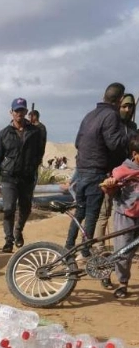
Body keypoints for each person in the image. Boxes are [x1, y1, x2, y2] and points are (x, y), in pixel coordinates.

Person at [65, 83, 128, 259]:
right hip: (96, 171)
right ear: (120, 99)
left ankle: (69, 246)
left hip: (83, 169)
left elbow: (78, 142)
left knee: (80, 212)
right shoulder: (111, 115)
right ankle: (85, 250)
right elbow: (114, 143)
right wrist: (129, 138)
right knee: (92, 213)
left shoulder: (90, 115)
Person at [0, 97, 45, 253]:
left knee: (25, 208)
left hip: (27, 177)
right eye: (16, 111)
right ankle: (8, 240)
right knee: (8, 208)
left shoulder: (36, 132)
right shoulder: (4, 133)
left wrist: (33, 166)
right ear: (11, 112)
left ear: (26, 112)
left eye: (22, 110)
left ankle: (18, 230)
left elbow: (40, 152)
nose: (19, 113)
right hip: (9, 177)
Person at [94, 92, 138, 266]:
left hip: (130, 176)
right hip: (112, 174)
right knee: (104, 213)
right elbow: (107, 146)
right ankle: (100, 248)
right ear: (118, 106)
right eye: (124, 106)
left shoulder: (133, 127)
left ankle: (127, 250)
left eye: (130, 107)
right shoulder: (113, 123)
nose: (127, 109)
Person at [98, 134, 139, 300]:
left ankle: (109, 265)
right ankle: (122, 283)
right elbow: (110, 189)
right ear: (135, 154)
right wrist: (109, 186)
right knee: (123, 252)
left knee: (128, 253)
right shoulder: (122, 170)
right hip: (125, 215)